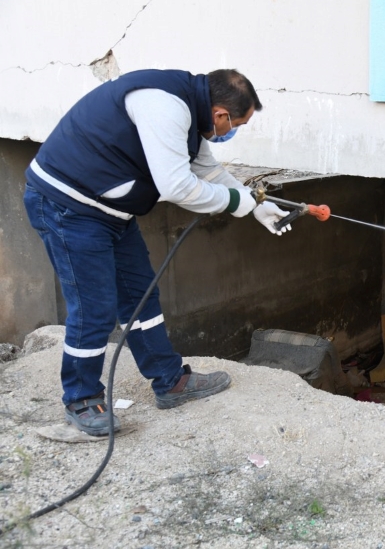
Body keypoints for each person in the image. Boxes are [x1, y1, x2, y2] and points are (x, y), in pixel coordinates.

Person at [23, 68, 287, 436]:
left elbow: (207, 172)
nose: (232, 132)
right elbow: (177, 185)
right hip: (68, 208)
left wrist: (257, 206)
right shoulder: (165, 106)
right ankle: (82, 399)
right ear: (221, 114)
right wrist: (234, 203)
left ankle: (169, 380)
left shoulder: (190, 113)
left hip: (111, 212)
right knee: (93, 309)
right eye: (236, 124)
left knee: (141, 297)